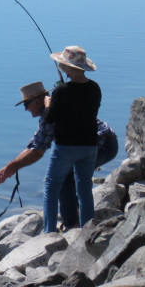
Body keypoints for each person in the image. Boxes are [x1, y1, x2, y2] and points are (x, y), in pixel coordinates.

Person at [0, 78, 117, 231]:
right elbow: (36, 144)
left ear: (37, 102)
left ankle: (71, 226)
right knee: (73, 180)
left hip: (103, 144)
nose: (26, 110)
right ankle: (78, 222)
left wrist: (12, 168)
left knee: (65, 178)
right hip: (101, 142)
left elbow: (37, 152)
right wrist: (8, 169)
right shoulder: (56, 106)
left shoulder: (49, 114)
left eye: (26, 105)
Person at [42, 46, 101, 233]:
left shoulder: (61, 92)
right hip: (90, 146)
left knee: (52, 187)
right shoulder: (94, 88)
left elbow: (50, 118)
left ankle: (49, 233)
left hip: (66, 147)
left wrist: (48, 103)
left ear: (67, 68)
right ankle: (87, 232)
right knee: (84, 189)